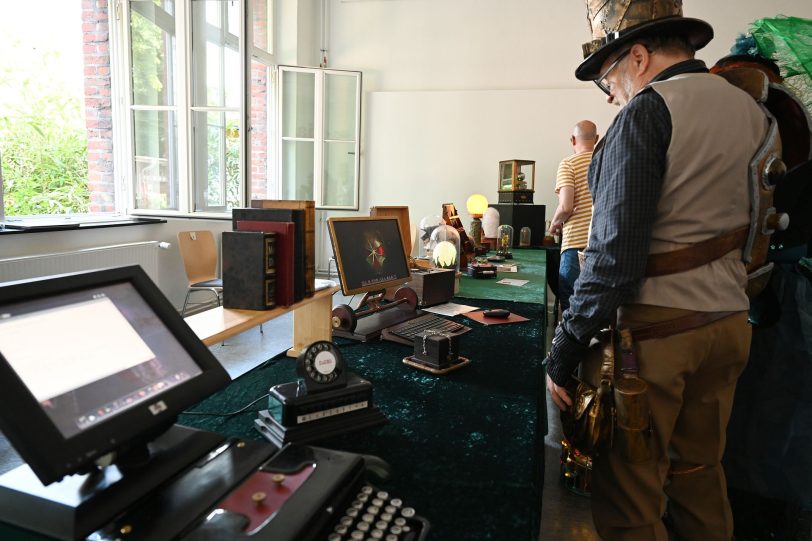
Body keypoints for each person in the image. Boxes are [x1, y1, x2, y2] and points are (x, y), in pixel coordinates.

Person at [544, 2, 773, 540]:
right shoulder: (752, 108)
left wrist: (564, 350)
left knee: (631, 495)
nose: (611, 96)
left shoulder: (647, 110)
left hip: (656, 337)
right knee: (700, 473)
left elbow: (615, 258)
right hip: (730, 324)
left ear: (639, 56)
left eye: (608, 80)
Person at [549, 120, 598, 312]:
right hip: (601, 246)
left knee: (571, 307)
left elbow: (566, 206)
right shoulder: (606, 160)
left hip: (575, 244)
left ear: (572, 140)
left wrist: (554, 224)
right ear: (597, 139)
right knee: (596, 309)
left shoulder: (569, 163)